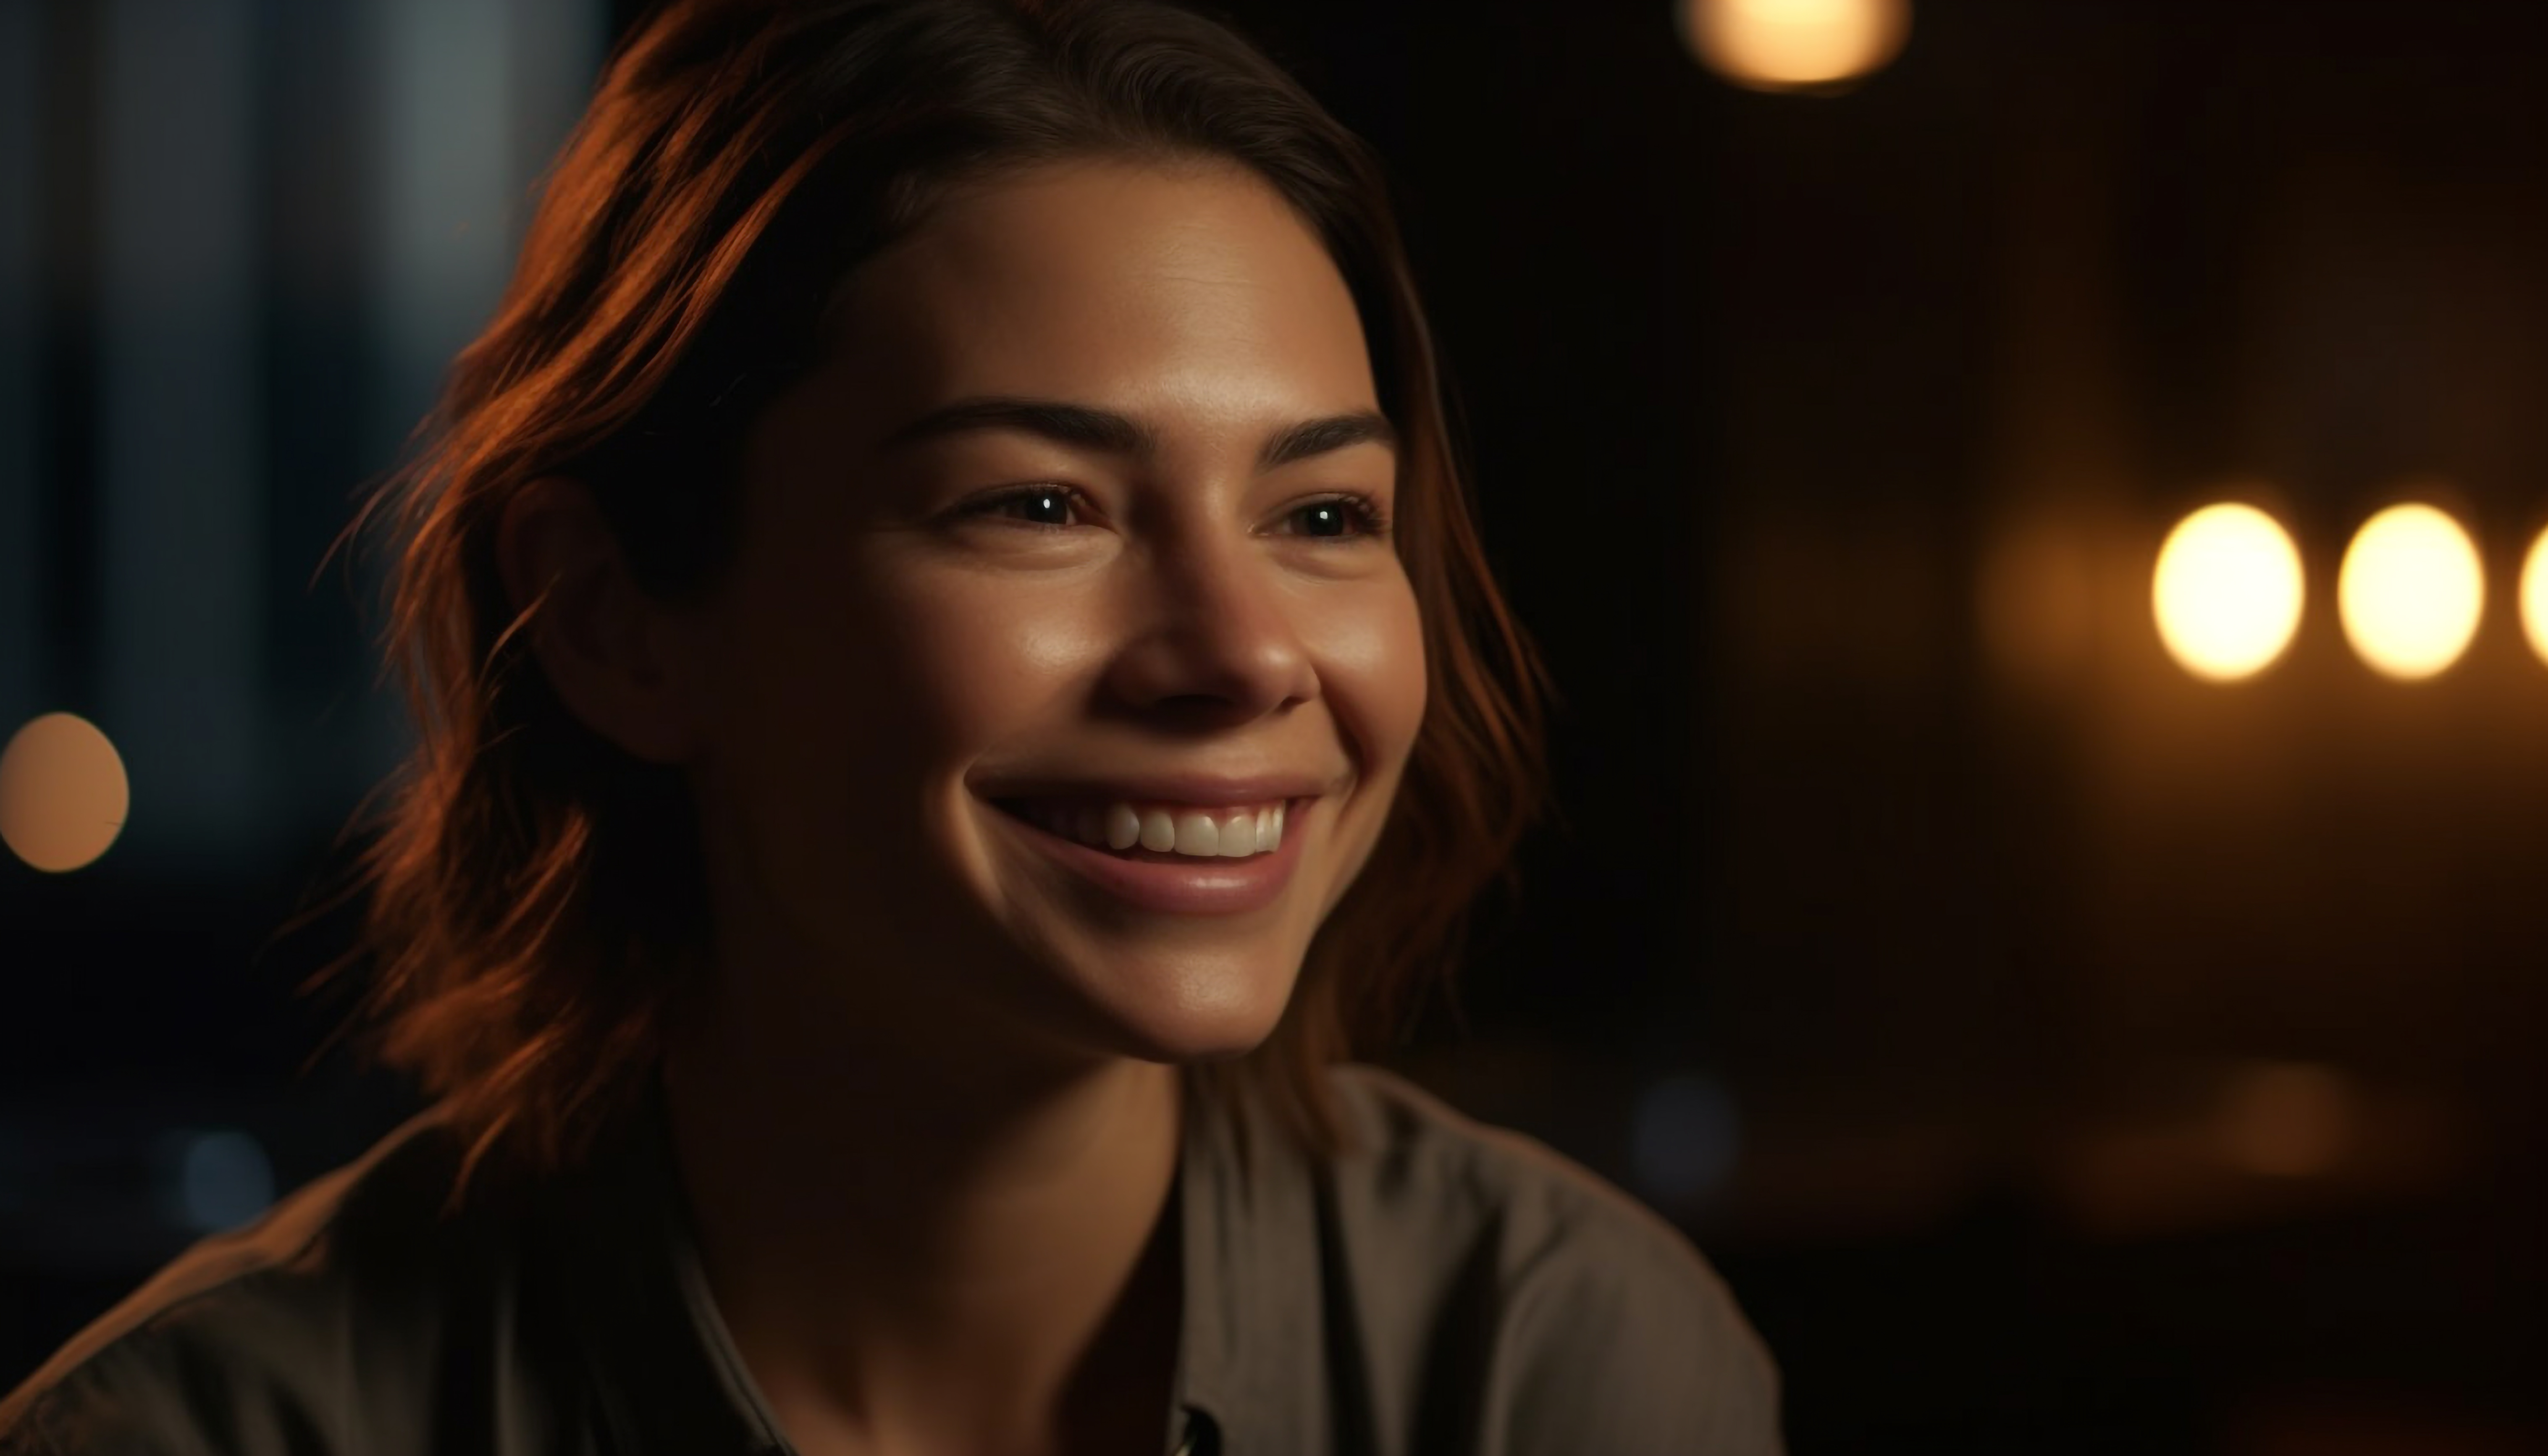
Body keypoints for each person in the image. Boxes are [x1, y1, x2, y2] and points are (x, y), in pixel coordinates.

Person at [0, 0, 1782, 1451]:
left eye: (1319, 519)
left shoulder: (1550, 1363)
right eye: (1037, 507)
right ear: (618, 619)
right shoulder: (209, 1434)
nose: (1241, 657)